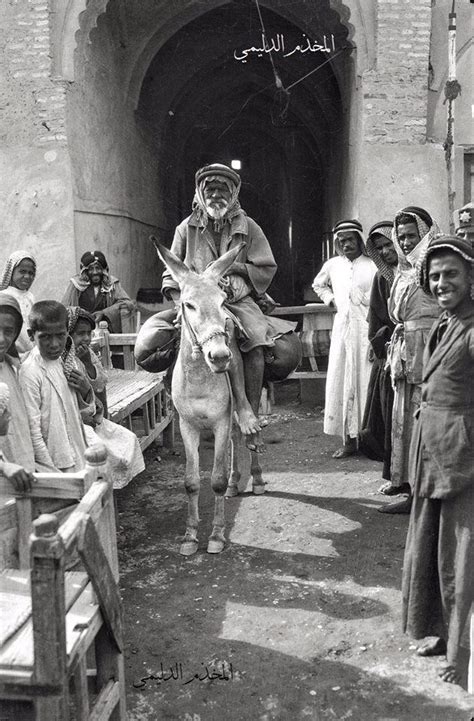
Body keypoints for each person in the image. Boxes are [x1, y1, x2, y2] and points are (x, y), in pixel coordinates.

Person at [160, 163, 295, 448]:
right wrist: (179, 306)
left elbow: (265, 266)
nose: (216, 195)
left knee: (255, 341)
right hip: (197, 302)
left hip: (238, 299)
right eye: (210, 188)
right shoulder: (186, 228)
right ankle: (183, 408)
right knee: (167, 343)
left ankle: (248, 410)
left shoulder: (249, 227)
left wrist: (234, 270)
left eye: (223, 188)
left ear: (233, 193)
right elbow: (169, 271)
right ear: (200, 192)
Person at [402, 234, 473, 686]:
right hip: (433, 455)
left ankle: (462, 656)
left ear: (471, 279)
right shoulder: (445, 323)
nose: (441, 282)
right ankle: (442, 636)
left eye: (451, 274)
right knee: (430, 549)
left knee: (461, 559)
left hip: (464, 460)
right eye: (434, 276)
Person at [379, 207, 442, 514]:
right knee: (403, 414)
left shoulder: (437, 262)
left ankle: (425, 491)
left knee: (425, 415)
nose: (404, 242)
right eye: (400, 236)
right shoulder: (404, 269)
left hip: (432, 345)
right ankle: (406, 482)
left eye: (411, 236)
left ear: (425, 234)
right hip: (406, 347)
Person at [312, 219, 377, 458]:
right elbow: (319, 285)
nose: (346, 244)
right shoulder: (333, 265)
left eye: (351, 240)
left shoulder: (373, 265)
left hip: (367, 330)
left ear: (359, 241)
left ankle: (369, 441)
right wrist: (331, 300)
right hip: (343, 329)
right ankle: (348, 441)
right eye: (342, 241)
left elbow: (383, 294)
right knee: (343, 380)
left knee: (365, 381)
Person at [64, 306, 145, 489]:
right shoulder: (63, 358)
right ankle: (101, 488)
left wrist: (86, 364)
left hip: (93, 411)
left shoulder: (87, 354)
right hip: (74, 418)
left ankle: (115, 485)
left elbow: (99, 384)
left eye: (89, 334)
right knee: (102, 450)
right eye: (79, 333)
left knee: (128, 438)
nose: (85, 338)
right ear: (68, 333)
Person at [19, 300, 94, 472]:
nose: (54, 344)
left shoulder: (66, 362)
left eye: (60, 335)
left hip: (76, 450)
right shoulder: (30, 373)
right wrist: (51, 472)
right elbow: (33, 431)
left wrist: (85, 390)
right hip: (55, 462)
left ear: (68, 332)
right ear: (31, 335)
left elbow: (78, 410)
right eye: (45, 336)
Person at [358, 221, 399, 490]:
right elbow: (375, 316)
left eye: (388, 244)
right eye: (379, 248)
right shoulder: (381, 277)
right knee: (389, 417)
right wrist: (381, 348)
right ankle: (396, 477)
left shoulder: (416, 272)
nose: (385, 252)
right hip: (390, 351)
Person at [0, 291, 35, 490]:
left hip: (22, 462)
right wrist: (3, 466)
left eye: (9, 331)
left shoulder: (14, 367)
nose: (2, 338)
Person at [62, 250, 135, 332]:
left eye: (98, 268)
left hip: (105, 327)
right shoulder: (76, 285)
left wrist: (104, 313)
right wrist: (81, 314)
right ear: (85, 271)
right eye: (91, 269)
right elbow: (65, 308)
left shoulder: (111, 284)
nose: (95, 272)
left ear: (103, 270)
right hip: (82, 328)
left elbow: (127, 303)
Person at [0, 250, 37, 356]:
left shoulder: (30, 297)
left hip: (31, 353)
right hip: (10, 353)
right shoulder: (4, 296)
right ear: (11, 271)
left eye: (31, 273)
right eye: (22, 271)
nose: (27, 276)